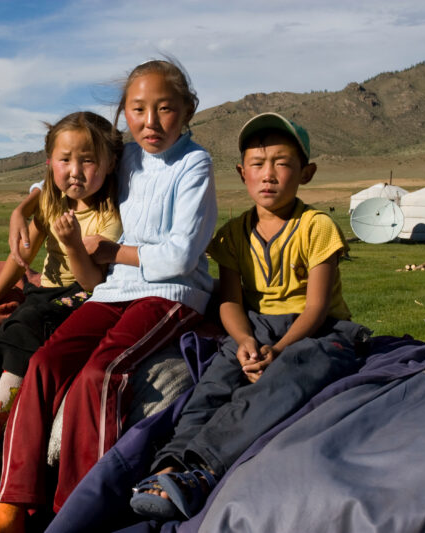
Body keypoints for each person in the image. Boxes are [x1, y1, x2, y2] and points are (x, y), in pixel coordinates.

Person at [0, 59, 218, 533]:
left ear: (189, 110)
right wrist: (24, 204)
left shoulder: (194, 164)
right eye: (138, 110)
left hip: (170, 294)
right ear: (123, 115)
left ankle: (77, 512)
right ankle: (10, 508)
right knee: (46, 364)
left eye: (165, 109)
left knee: (101, 372)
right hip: (113, 290)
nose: (150, 122)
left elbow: (179, 255)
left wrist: (115, 250)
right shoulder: (128, 156)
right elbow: (68, 171)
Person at [129, 112, 370, 521]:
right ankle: (167, 467)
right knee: (213, 385)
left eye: (282, 163)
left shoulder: (317, 227)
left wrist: (278, 349)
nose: (268, 175)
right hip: (255, 326)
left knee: (285, 380)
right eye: (257, 164)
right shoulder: (234, 234)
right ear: (242, 173)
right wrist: (243, 341)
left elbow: (316, 305)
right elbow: (230, 301)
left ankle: (203, 471)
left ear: (306, 173)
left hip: (315, 331)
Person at [0, 111, 123, 467]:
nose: (75, 171)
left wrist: (73, 245)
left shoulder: (107, 216)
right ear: (50, 162)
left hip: (80, 295)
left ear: (110, 163)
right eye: (65, 160)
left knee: (31, 326)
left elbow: (93, 283)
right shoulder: (53, 202)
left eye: (88, 161)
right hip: (45, 292)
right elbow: (24, 253)